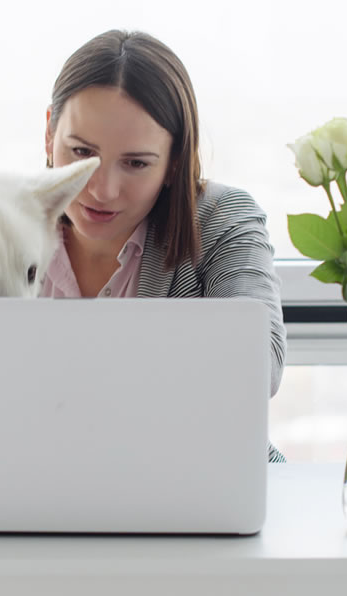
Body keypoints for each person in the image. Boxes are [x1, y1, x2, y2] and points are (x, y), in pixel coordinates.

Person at [40, 29, 287, 463]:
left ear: (174, 162)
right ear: (49, 136)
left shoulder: (220, 218)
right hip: (39, 479)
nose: (102, 189)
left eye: (135, 163)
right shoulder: (1, 226)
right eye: (81, 152)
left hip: (199, 484)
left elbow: (258, 369)